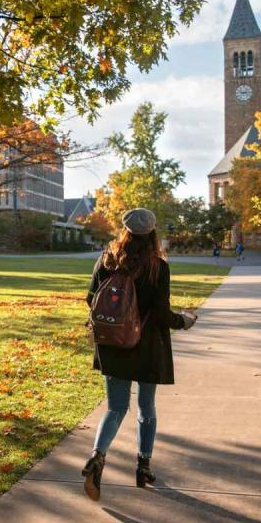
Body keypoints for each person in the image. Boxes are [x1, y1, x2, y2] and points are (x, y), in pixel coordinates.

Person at [82, 208, 197, 501]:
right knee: (146, 407)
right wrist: (184, 321)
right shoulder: (157, 267)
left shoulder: (107, 260)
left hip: (112, 343)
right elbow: (160, 314)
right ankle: (143, 466)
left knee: (115, 408)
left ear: (126, 231)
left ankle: (97, 457)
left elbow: (91, 299)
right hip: (146, 346)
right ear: (152, 233)